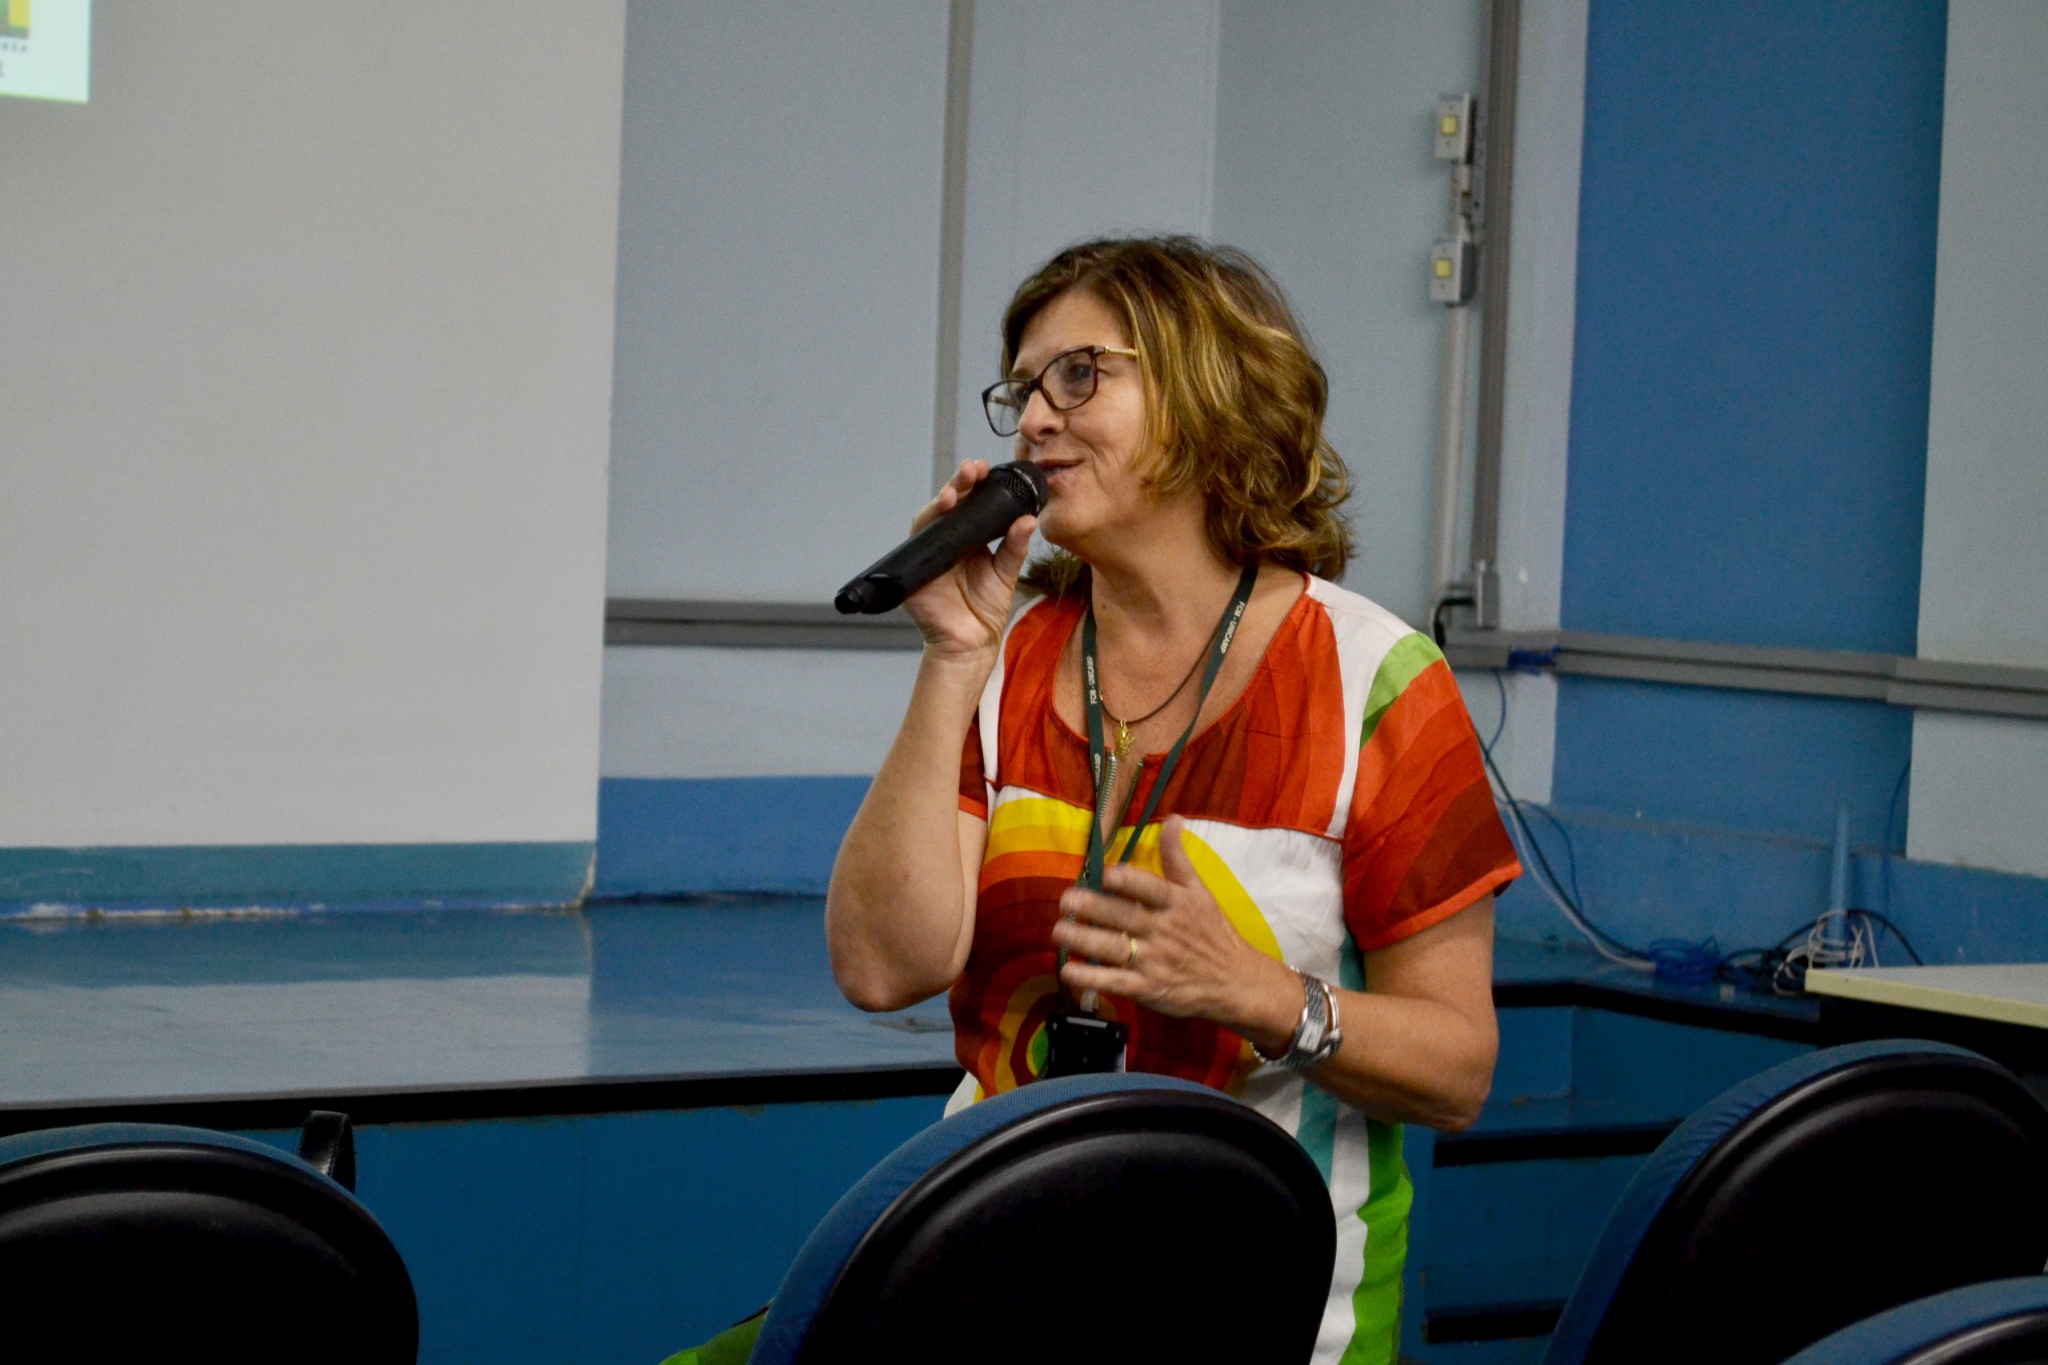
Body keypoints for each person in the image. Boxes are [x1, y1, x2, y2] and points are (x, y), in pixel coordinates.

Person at [824, 236, 1519, 1364]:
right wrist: (953, 657)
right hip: (994, 1278)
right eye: (1022, 391)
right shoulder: (1004, 663)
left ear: (1208, 391)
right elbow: (878, 967)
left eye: (1079, 375)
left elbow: (1456, 1071)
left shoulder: (1376, 682)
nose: (1035, 420)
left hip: (1264, 1303)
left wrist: (1260, 995)